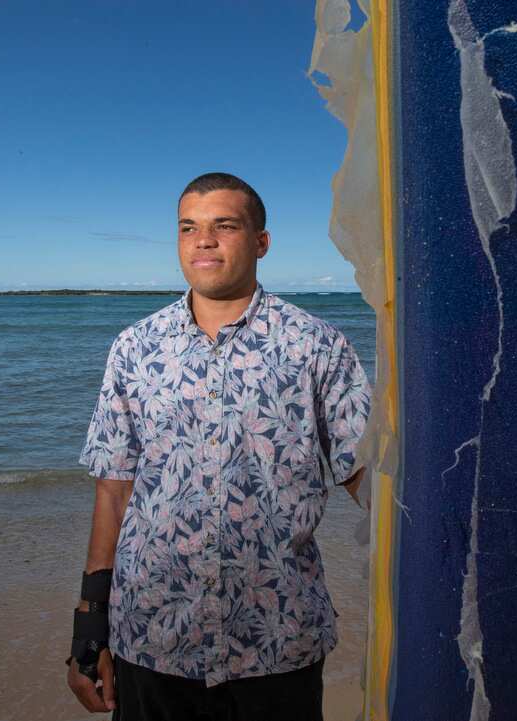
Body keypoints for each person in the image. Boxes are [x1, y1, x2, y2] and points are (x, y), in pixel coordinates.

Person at [66, 172, 370, 720]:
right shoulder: (135, 348)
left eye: (223, 226)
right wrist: (90, 621)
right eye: (189, 228)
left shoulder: (317, 345)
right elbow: (114, 489)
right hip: (152, 633)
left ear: (261, 242)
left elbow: (366, 474)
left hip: (277, 637)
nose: (203, 240)